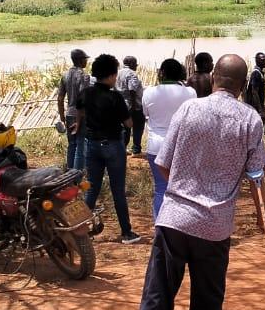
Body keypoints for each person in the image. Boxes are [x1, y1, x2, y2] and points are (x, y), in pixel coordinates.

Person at [128, 54, 265, 310]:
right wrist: (264, 216)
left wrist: (181, 191)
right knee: (207, 307)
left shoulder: (189, 110)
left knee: (158, 299)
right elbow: (256, 174)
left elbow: (163, 164)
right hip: (215, 228)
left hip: (174, 220)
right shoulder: (249, 118)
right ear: (241, 84)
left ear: (214, 77)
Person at [77, 54, 142, 245]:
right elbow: (129, 123)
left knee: (92, 188)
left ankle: (81, 228)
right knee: (118, 190)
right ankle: (126, 232)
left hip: (92, 145)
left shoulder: (86, 93)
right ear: (112, 75)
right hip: (113, 145)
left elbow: (79, 109)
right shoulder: (115, 97)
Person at [142, 58, 196, 222]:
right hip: (182, 146)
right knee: (183, 188)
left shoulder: (149, 92)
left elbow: (146, 113)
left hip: (156, 146)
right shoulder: (190, 93)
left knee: (161, 188)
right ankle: (182, 224)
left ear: (162, 73)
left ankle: (160, 226)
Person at [56, 49, 91, 170]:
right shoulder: (84, 76)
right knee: (80, 145)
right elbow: (82, 99)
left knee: (72, 144)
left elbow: (60, 98)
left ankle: (69, 172)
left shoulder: (65, 75)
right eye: (85, 59)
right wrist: (79, 119)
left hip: (69, 114)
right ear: (81, 61)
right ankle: (76, 176)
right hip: (80, 115)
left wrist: (62, 118)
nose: (86, 61)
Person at [118, 56, 146, 157]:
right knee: (138, 126)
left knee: (125, 128)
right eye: (135, 64)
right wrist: (134, 107)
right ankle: (136, 150)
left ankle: (122, 149)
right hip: (133, 106)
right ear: (131, 64)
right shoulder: (131, 74)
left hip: (121, 105)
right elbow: (132, 90)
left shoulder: (118, 73)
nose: (136, 66)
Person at [242, 51, 265, 122]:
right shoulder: (256, 73)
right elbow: (254, 92)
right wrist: (260, 110)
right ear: (257, 61)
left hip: (256, 106)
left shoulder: (260, 73)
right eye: (263, 60)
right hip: (255, 107)